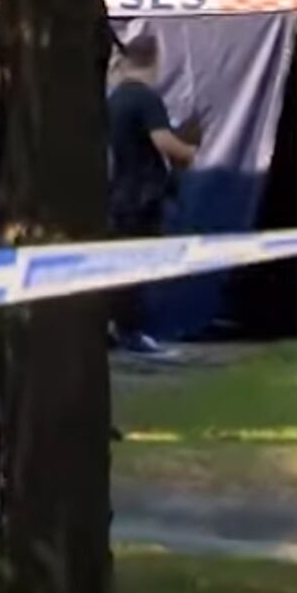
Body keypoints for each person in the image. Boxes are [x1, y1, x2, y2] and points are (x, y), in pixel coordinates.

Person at [107, 30, 197, 353]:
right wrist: (188, 152)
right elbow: (163, 142)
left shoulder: (115, 98)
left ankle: (114, 326)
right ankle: (131, 331)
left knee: (116, 266)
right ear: (155, 61)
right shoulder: (145, 98)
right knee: (137, 265)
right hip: (142, 195)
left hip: (117, 192)